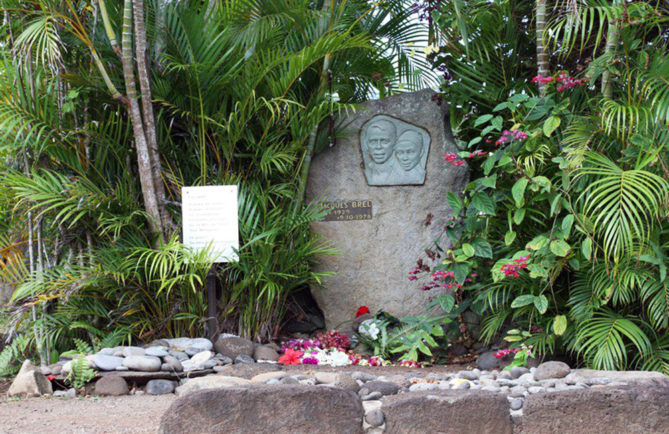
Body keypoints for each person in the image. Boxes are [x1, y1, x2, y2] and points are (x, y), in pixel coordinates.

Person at [361, 119, 397, 185]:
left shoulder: (407, 173)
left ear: (395, 143)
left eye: (384, 141)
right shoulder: (367, 169)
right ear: (366, 144)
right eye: (373, 141)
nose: (378, 147)